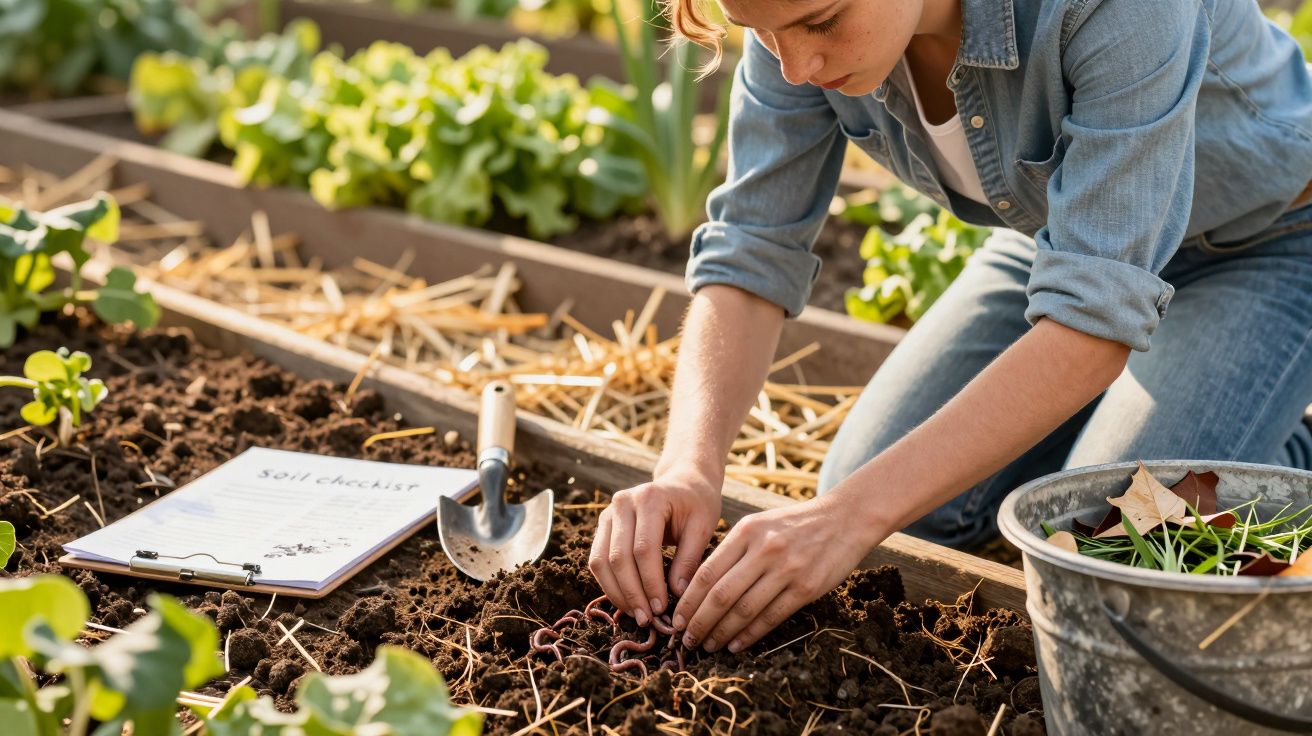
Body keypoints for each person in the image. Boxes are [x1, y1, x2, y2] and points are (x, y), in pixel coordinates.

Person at [588, 0, 1312, 658]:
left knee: (1112, 552)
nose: (795, 66)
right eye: (760, 32)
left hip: (1265, 243)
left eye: (822, 22)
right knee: (884, 508)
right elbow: (751, 249)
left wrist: (844, 519)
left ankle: (1281, 453)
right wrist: (687, 468)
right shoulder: (790, 21)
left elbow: (1090, 327)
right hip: (1068, 244)